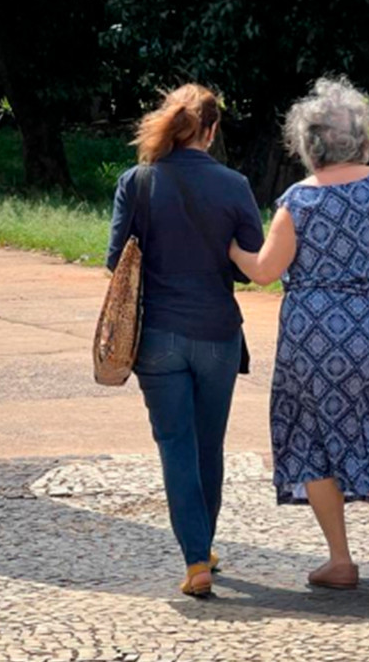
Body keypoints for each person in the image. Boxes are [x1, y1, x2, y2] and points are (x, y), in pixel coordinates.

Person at [230, 77, 369, 591]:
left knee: (311, 435)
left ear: (309, 145)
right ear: (362, 138)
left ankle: (340, 559)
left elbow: (266, 270)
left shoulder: (297, 200)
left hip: (313, 338)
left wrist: (231, 248)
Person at [106, 83, 264, 598]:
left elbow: (116, 262)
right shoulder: (235, 184)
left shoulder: (138, 181)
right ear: (213, 132)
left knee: (175, 445)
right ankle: (204, 544)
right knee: (207, 445)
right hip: (218, 334)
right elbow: (250, 262)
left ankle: (196, 558)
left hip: (156, 338)